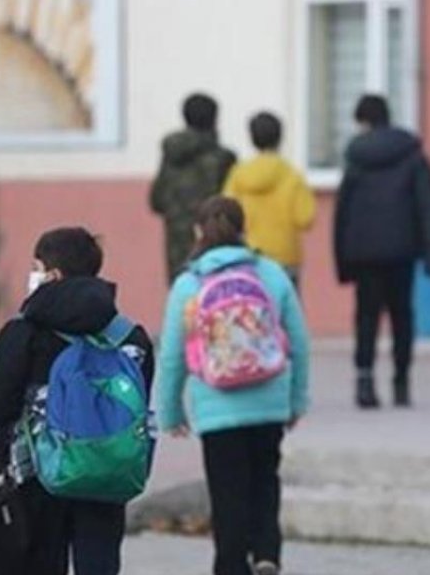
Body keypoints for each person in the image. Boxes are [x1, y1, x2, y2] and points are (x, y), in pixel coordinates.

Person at [0, 227, 155, 575]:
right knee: (98, 564)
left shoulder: (23, 332)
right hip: (108, 468)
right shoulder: (131, 337)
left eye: (36, 268)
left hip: (39, 473)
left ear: (53, 275)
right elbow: (139, 403)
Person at [155, 196, 310, 575]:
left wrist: (170, 411)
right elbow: (299, 343)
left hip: (217, 408)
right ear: (243, 230)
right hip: (269, 402)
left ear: (197, 231)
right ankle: (267, 553)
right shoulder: (271, 274)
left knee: (228, 493)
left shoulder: (189, 284)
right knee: (265, 482)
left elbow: (173, 355)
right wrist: (296, 401)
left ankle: (231, 564)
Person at [333, 94, 430, 410]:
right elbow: (429, 207)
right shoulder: (413, 157)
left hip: (364, 252)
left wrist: (342, 261)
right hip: (401, 250)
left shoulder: (356, 160)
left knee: (366, 316)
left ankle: (365, 380)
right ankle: (401, 380)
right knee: (402, 315)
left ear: (363, 121)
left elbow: (342, 213)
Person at [150, 92, 238, 283]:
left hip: (177, 243)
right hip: (216, 239)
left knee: (181, 292)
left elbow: (156, 200)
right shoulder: (224, 158)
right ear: (214, 119)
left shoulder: (172, 156)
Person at [222, 111, 316, 287]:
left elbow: (226, 213)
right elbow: (305, 218)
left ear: (252, 139)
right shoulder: (291, 174)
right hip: (285, 256)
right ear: (280, 138)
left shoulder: (238, 174)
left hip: (248, 255)